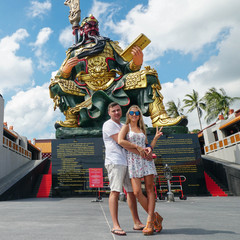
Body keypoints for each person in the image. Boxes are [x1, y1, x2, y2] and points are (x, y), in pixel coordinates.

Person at [49, 14, 186, 130]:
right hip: (85, 89)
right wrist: (66, 70)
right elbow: (61, 76)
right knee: (56, 84)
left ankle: (159, 117)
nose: (92, 28)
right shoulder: (74, 51)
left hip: (113, 85)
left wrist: (136, 62)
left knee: (148, 76)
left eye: (94, 26)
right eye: (89, 26)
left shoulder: (109, 45)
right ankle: (72, 119)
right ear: (83, 30)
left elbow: (126, 68)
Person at [118, 105, 163, 236]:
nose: (134, 115)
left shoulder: (143, 129)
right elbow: (121, 141)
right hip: (133, 160)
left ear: (139, 115)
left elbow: (148, 147)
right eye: (131, 112)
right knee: (137, 192)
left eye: (137, 113)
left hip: (146, 161)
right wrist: (136, 146)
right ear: (128, 114)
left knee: (149, 190)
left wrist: (154, 140)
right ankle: (155, 217)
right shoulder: (126, 127)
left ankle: (149, 222)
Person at [102, 102, 145, 236]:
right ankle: (115, 225)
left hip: (127, 162)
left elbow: (133, 141)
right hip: (115, 161)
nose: (116, 113)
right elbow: (122, 143)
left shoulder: (123, 125)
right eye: (113, 111)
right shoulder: (108, 124)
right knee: (115, 191)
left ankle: (137, 222)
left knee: (131, 192)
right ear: (109, 113)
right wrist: (141, 152)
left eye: (118, 110)